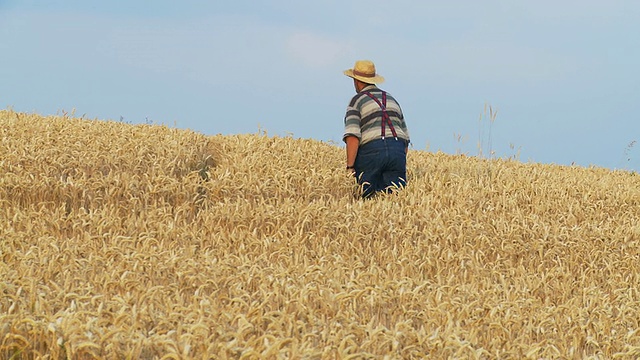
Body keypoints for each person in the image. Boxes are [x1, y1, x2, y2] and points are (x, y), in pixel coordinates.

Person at [342, 60, 410, 198]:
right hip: (397, 150)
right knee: (396, 200)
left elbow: (353, 136)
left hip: (371, 152)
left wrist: (350, 167)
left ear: (356, 80)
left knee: (366, 199)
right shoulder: (391, 99)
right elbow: (405, 139)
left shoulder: (357, 100)